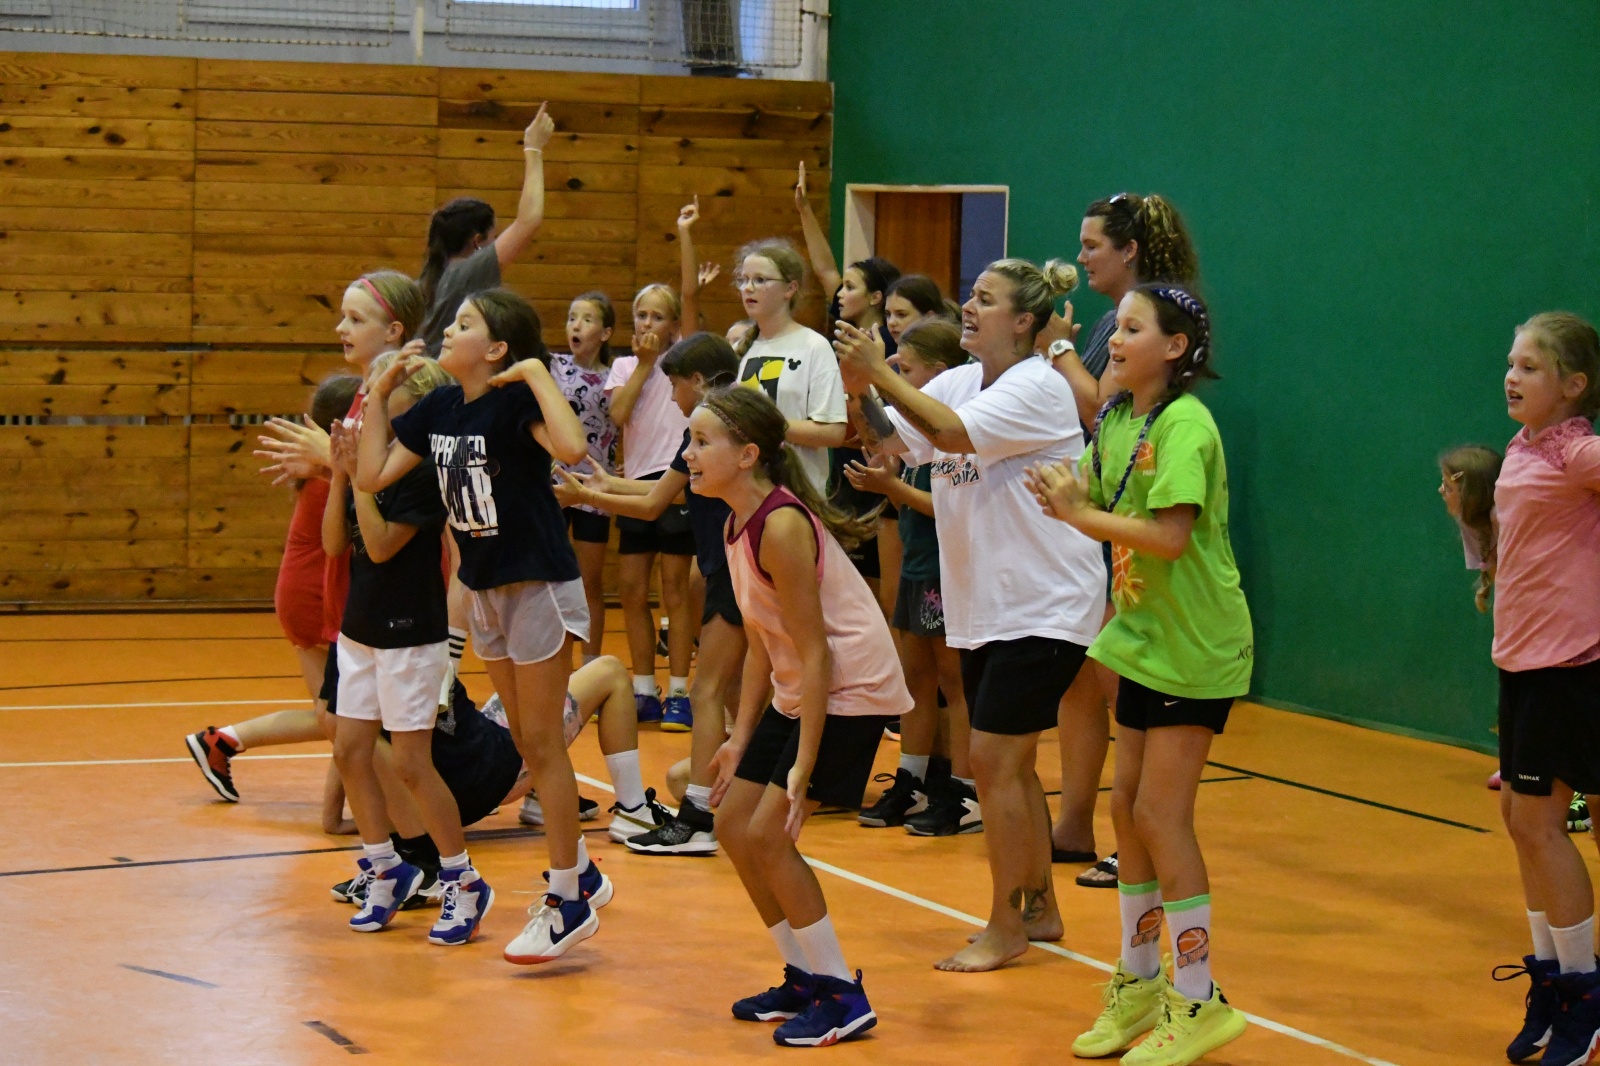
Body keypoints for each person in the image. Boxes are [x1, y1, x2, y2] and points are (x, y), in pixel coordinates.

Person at [357, 288, 650, 966]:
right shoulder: (439, 408)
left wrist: (539, 373)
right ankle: (584, 873)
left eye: (464, 323)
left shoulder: (516, 401)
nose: (447, 330)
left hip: (538, 584)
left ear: (495, 348)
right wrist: (377, 396)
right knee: (525, 740)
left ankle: (567, 900)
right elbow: (371, 474)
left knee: (543, 745)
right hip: (485, 590)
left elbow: (572, 447)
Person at [837, 257, 1105, 974]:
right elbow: (892, 441)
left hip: (1044, 600)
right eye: (971, 295)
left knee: (991, 760)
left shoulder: (1037, 387)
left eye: (986, 299)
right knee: (1010, 766)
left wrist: (882, 372)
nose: (970, 306)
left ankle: (1005, 926)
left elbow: (953, 437)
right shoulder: (958, 380)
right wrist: (862, 388)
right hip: (987, 603)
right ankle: (1039, 907)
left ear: (1023, 320)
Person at [1025, 283, 1251, 1065]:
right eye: (1114, 328)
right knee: (1126, 811)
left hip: (1196, 644)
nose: (1113, 341)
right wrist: (1060, 491)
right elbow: (1093, 493)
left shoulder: (1186, 425)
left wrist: (1078, 514)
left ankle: (1199, 998)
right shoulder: (1121, 417)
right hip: (1141, 637)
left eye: (1131, 329)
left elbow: (1170, 536)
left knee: (1161, 815)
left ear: (1175, 348)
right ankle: (1140, 981)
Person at [690, 385, 909, 1048]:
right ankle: (804, 976)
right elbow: (763, 638)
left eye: (701, 442)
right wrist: (741, 738)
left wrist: (803, 762)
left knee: (768, 835)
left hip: (850, 688)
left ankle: (844, 995)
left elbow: (817, 654)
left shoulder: (781, 525)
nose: (688, 454)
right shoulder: (735, 522)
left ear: (748, 454)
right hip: (803, 689)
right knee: (732, 824)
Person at [1041, 192, 1199, 889]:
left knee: (1120, 690)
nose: (1081, 257)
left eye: (1092, 245)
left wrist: (1058, 347)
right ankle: (1076, 824)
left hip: (1131, 543)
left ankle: (1127, 838)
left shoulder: (1173, 407)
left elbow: (1098, 401)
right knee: (1084, 674)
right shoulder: (1117, 322)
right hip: (1105, 520)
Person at [555, 333, 747, 855]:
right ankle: (746, 788)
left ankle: (699, 820)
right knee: (732, 688)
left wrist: (588, 495)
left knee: (708, 691)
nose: (672, 396)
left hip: (735, 572)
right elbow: (663, 490)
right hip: (731, 569)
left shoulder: (711, 432)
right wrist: (607, 485)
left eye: (675, 386)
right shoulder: (717, 428)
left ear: (699, 382)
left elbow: (653, 505)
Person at [324, 354, 492, 943]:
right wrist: (340, 475)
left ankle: (462, 880)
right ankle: (385, 868)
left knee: (412, 764)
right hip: (360, 630)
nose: (370, 406)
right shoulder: (372, 465)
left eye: (383, 395)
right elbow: (334, 544)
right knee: (350, 751)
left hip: (410, 634)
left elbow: (379, 544)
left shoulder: (420, 472)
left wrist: (359, 480)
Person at [1482, 312, 1600, 1066]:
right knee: (1517, 818)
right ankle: (1552, 979)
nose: (1512, 376)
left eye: (1530, 367)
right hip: (1520, 662)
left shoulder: (1578, 451)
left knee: (1540, 824)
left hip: (1569, 667)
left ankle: (1586, 995)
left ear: (1574, 385)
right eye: (1511, 363)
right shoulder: (1526, 447)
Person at [332, 656, 651, 913]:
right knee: (610, 671)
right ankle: (633, 810)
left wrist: (332, 817)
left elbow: (342, 742)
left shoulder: (354, 656)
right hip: (493, 771)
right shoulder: (413, 644)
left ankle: (539, 799)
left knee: (357, 732)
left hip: (430, 806)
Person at [186, 373, 360, 832]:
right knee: (345, 715)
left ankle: (224, 740)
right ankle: (227, 741)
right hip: (316, 593)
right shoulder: (336, 474)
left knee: (338, 712)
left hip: (305, 589)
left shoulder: (327, 470)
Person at [845, 320, 976, 835]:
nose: (898, 376)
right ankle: (913, 778)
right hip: (920, 563)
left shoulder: (959, 428)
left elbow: (950, 506)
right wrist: (861, 385)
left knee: (955, 681)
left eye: (907, 369)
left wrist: (894, 490)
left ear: (940, 373)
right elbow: (879, 439)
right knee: (915, 676)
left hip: (949, 566)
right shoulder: (917, 434)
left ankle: (966, 791)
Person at [605, 283, 697, 730]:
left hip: (676, 482)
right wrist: (643, 365)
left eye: (658, 316)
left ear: (675, 324)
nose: (647, 323)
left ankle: (679, 691)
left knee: (675, 591)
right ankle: (644, 688)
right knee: (631, 589)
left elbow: (691, 297)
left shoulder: (682, 364)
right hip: (635, 485)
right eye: (642, 315)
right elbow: (618, 414)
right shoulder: (625, 366)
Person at [414, 104, 556, 356]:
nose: (497, 242)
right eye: (494, 237)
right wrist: (533, 148)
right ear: (477, 241)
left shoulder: (431, 277)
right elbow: (528, 221)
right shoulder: (467, 273)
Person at [733, 237, 848, 496]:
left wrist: (766, 425)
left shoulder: (813, 346)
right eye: (743, 280)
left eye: (760, 280)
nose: (748, 288)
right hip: (747, 492)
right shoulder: (740, 348)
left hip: (798, 493)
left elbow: (833, 431)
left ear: (790, 288)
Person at [554, 291, 620, 665]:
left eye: (587, 319)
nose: (576, 325)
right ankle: (551, 659)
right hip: (553, 483)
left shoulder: (615, 378)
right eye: (571, 317)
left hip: (595, 487)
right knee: (551, 578)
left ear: (605, 333)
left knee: (589, 581)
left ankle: (590, 664)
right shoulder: (552, 367)